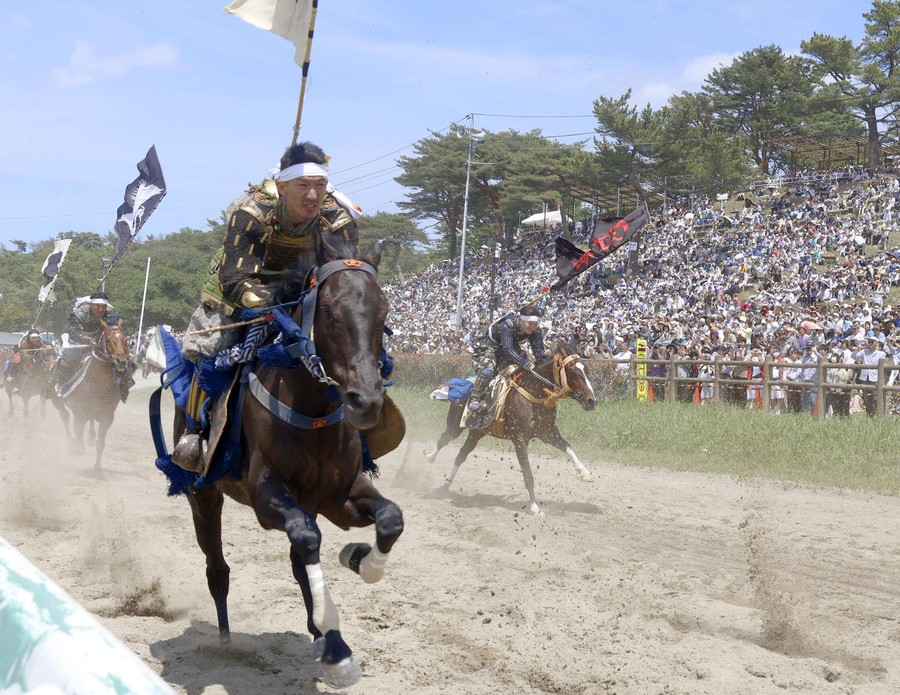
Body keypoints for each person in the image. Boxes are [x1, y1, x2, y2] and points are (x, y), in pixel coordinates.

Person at [174, 141, 361, 469]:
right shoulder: (251, 211)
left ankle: (361, 424)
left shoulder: (337, 218)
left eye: (319, 186)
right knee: (210, 351)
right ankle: (195, 431)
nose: (313, 196)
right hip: (238, 294)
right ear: (281, 186)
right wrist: (270, 308)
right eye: (302, 186)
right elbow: (235, 274)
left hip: (303, 294)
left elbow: (345, 273)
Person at [465, 303, 547, 429]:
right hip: (488, 345)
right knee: (488, 369)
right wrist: (524, 362)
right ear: (520, 320)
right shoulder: (508, 325)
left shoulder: (535, 330)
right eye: (530, 323)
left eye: (535, 324)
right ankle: (475, 398)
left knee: (524, 370)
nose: (533, 327)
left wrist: (545, 360)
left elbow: (539, 352)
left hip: (509, 346)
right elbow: (508, 349)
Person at [51, 292, 135, 401]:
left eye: (103, 306)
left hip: (101, 342)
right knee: (69, 356)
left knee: (122, 358)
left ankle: (124, 385)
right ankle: (62, 384)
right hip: (78, 341)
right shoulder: (80, 313)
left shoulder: (110, 314)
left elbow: (114, 330)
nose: (100, 310)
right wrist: (89, 340)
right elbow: (72, 330)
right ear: (91, 305)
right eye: (97, 306)